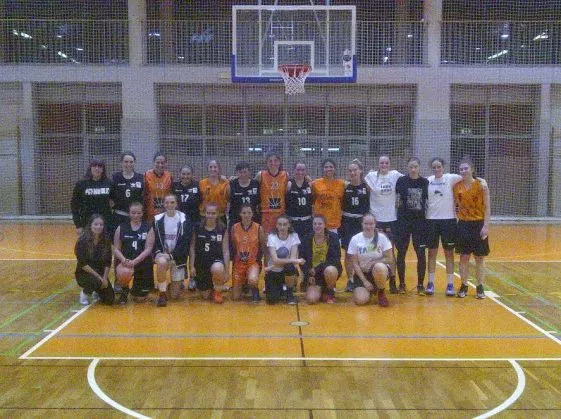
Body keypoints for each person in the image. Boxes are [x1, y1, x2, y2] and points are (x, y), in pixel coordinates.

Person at [453, 158, 491, 299]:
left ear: (472, 170)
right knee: (464, 257)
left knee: (479, 257)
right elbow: (454, 204)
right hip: (463, 224)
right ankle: (464, 285)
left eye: (466, 168)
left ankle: (480, 287)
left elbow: (487, 207)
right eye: (461, 169)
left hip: (478, 223)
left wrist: (486, 225)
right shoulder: (456, 186)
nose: (463, 171)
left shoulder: (481, 185)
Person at [364, 155, 402, 293]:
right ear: (378, 164)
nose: (384, 165)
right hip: (376, 220)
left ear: (389, 164)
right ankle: (374, 279)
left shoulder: (395, 175)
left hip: (391, 219)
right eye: (382, 163)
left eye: (386, 162)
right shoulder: (371, 176)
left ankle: (392, 280)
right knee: (374, 250)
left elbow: (409, 179)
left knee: (390, 251)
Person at [426, 157, 463, 296]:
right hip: (431, 221)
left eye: (439, 167)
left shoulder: (450, 178)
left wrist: (481, 180)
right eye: (434, 167)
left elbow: (467, 176)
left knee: (449, 253)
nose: (436, 169)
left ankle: (450, 284)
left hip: (448, 221)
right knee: (432, 253)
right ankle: (430, 283)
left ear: (443, 167)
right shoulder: (428, 181)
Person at [395, 157, 429, 295]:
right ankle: (402, 284)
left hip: (419, 223)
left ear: (419, 167)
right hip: (403, 222)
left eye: (415, 166)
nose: (413, 169)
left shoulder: (425, 182)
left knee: (421, 253)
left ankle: (420, 285)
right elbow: (396, 199)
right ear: (407, 167)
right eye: (411, 167)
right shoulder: (401, 181)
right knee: (401, 252)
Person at [153, 194, 192, 307]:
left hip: (178, 257)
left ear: (176, 204)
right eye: (167, 203)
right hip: (163, 255)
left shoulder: (184, 219)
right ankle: (162, 294)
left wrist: (171, 256)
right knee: (161, 262)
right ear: (163, 204)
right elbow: (154, 241)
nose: (169, 205)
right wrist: (160, 253)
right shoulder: (157, 219)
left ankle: (173, 284)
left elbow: (185, 243)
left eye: (172, 202)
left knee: (175, 296)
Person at [113, 202, 155, 304]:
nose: (136, 215)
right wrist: (124, 260)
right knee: (123, 272)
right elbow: (116, 249)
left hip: (142, 262)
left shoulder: (148, 227)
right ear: (129, 213)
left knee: (140, 299)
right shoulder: (121, 227)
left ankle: (137, 290)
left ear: (142, 213)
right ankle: (124, 289)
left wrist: (135, 261)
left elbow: (148, 249)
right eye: (133, 213)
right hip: (126, 261)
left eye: (138, 213)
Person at [346, 214, 391, 307]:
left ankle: (381, 292)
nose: (368, 226)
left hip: (378, 271)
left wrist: (374, 262)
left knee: (379, 267)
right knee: (360, 300)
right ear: (362, 224)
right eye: (366, 224)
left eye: (371, 224)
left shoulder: (382, 238)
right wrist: (365, 281)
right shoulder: (355, 239)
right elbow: (355, 264)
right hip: (362, 273)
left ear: (375, 224)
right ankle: (370, 290)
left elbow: (389, 259)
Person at [190, 203, 230, 303]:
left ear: (217, 214)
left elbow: (225, 251)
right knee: (205, 296)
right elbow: (192, 247)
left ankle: (218, 291)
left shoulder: (222, 228)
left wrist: (226, 270)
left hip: (216, 261)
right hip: (201, 263)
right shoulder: (198, 227)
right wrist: (191, 266)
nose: (211, 216)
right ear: (205, 213)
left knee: (217, 268)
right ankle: (214, 286)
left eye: (213, 213)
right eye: (208, 213)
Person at [340, 159, 370, 291]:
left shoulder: (366, 187)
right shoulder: (345, 186)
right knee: (348, 252)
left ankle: (362, 278)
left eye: (355, 170)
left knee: (363, 252)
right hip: (347, 222)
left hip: (361, 222)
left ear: (360, 171)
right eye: (350, 170)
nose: (352, 172)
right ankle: (350, 280)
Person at [299, 215, 342, 304]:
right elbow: (301, 259)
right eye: (314, 224)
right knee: (311, 299)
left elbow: (335, 259)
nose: (317, 226)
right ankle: (321, 290)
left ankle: (330, 292)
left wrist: (317, 269)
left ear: (325, 225)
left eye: (319, 224)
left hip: (327, 271)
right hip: (313, 274)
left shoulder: (333, 237)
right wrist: (309, 274)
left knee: (330, 270)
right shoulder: (307, 239)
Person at [74, 214, 115, 305]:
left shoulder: (106, 240)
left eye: (101, 225)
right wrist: (99, 278)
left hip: (100, 272)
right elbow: (82, 263)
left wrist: (104, 278)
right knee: (95, 281)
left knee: (109, 299)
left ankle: (97, 290)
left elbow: (108, 261)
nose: (98, 227)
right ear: (90, 225)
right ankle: (85, 293)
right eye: (96, 224)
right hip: (85, 273)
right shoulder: (82, 241)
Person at [230, 204, 267, 302]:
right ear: (240, 214)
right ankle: (244, 284)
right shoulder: (234, 228)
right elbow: (234, 246)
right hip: (239, 264)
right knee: (236, 297)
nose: (246, 215)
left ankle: (254, 290)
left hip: (253, 263)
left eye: (249, 213)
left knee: (253, 279)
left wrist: (266, 265)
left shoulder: (258, 228)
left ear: (252, 214)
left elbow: (263, 247)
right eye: (244, 213)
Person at [264, 215, 304, 305]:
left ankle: (290, 294)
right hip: (274, 271)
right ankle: (280, 288)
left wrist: (273, 265)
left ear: (289, 225)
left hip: (286, 270)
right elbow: (275, 260)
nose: (282, 227)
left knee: (289, 267)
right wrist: (297, 261)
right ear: (276, 225)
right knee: (271, 300)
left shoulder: (294, 236)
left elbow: (292, 259)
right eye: (280, 224)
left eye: (285, 224)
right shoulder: (271, 237)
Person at [71, 159, 115, 236]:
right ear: (90, 168)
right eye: (94, 166)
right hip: (86, 223)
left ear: (103, 169)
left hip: (105, 223)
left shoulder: (109, 183)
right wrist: (78, 225)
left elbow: (116, 201)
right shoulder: (81, 184)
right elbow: (74, 205)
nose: (97, 168)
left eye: (100, 166)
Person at [257, 153, 289, 234]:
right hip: (266, 214)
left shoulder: (285, 175)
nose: (273, 163)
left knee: (280, 236)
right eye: (270, 161)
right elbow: (251, 185)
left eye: (275, 161)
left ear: (280, 162)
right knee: (267, 238)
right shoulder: (261, 175)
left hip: (280, 213)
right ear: (266, 163)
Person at [111, 151, 144, 229]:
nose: (128, 164)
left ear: (134, 163)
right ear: (121, 163)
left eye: (131, 162)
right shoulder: (115, 177)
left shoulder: (140, 177)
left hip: (136, 217)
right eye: (126, 162)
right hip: (119, 215)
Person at [311, 158, 345, 233]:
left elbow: (343, 202)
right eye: (326, 167)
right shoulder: (315, 183)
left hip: (334, 223)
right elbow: (312, 200)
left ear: (335, 169)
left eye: (331, 167)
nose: (328, 169)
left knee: (333, 240)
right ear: (322, 169)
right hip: (319, 223)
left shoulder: (341, 184)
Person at [286, 161, 313, 244]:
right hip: (293, 221)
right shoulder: (289, 184)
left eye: (303, 170)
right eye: (298, 169)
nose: (300, 172)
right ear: (294, 170)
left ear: (306, 171)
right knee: (293, 245)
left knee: (306, 245)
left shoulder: (310, 184)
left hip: (307, 221)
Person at [144, 152, 173, 222]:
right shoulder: (146, 175)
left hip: (165, 213)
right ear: (153, 162)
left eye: (162, 163)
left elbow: (171, 194)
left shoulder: (169, 176)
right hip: (150, 214)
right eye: (158, 162)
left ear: (166, 164)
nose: (160, 165)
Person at [199, 159, 229, 225]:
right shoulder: (202, 183)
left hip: (220, 216)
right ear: (207, 169)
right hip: (205, 216)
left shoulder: (225, 183)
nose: (213, 169)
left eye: (215, 167)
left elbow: (229, 198)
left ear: (219, 169)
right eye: (210, 167)